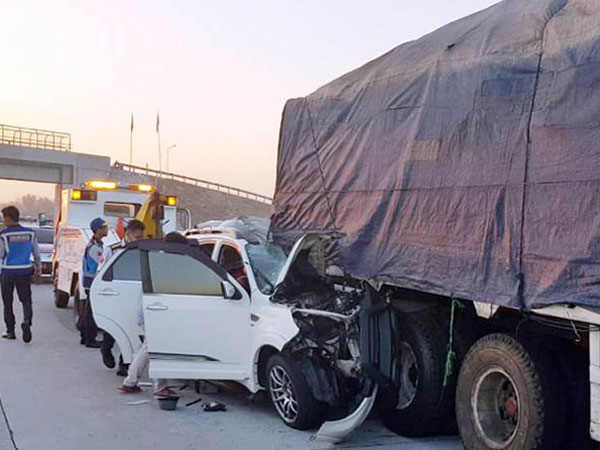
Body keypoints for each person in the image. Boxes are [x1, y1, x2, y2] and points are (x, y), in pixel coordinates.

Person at [118, 231, 189, 395]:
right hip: (155, 311)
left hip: (152, 309)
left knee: (149, 347)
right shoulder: (167, 263)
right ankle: (154, 385)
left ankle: (132, 381)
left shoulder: (159, 258)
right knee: (154, 347)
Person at [99, 219, 145, 372]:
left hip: (133, 294)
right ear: (128, 233)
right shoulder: (113, 250)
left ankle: (124, 364)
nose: (139, 240)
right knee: (114, 327)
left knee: (130, 329)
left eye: (141, 237)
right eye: (137, 237)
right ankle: (106, 348)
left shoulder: (142, 251)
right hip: (116, 294)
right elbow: (102, 271)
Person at [0, 206, 41, 342]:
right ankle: (27, 321)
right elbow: (36, 253)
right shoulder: (30, 233)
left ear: (8, 218)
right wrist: (38, 270)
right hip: (25, 270)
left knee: (8, 302)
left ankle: (10, 331)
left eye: (4, 218)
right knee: (26, 300)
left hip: (7, 271)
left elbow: (1, 254)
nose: (3, 221)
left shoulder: (3, 234)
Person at [78, 217, 108, 348]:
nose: (107, 229)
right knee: (91, 312)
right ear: (98, 230)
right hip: (92, 282)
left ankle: (85, 336)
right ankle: (90, 338)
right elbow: (102, 264)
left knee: (87, 310)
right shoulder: (95, 248)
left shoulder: (97, 245)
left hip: (90, 281)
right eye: (104, 227)